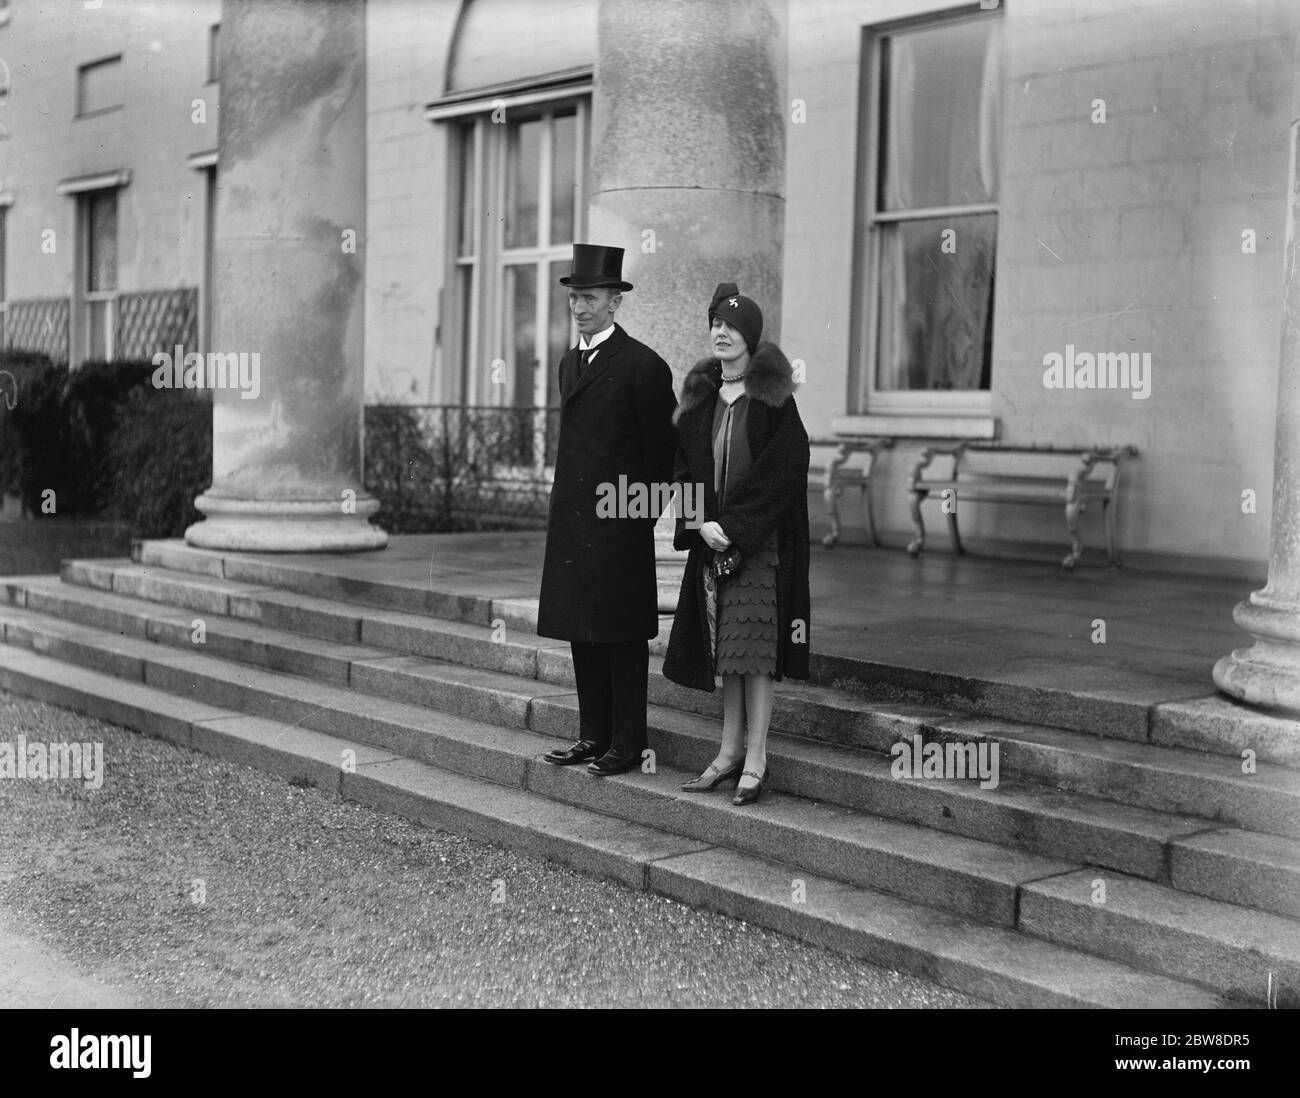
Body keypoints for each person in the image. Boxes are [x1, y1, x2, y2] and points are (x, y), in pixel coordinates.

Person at [662, 282, 811, 805]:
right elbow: (682, 468)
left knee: (755, 653)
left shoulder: (772, 399)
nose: (720, 333)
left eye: (731, 327)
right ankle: (727, 754)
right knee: (726, 652)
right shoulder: (702, 397)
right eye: (715, 325)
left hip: (758, 547)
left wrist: (738, 527)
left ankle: (756, 758)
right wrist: (700, 523)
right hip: (713, 545)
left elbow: (787, 468)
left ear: (751, 338)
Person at [537, 244, 678, 776]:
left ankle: (628, 741)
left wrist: (634, 517)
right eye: (575, 298)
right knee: (582, 629)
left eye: (591, 297)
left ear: (616, 302)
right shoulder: (569, 361)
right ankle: (591, 735)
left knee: (620, 635)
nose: (580, 307)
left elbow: (663, 455)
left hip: (618, 527)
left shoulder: (643, 365)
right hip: (573, 524)